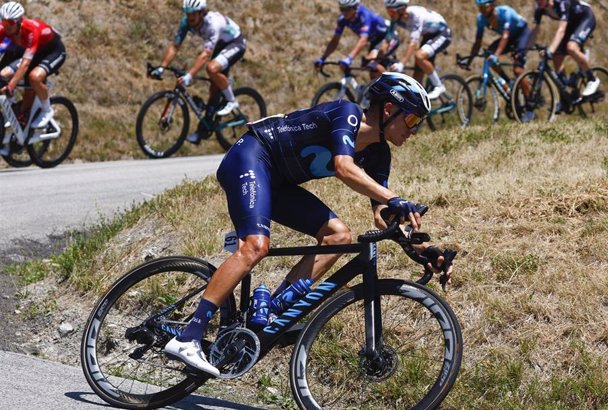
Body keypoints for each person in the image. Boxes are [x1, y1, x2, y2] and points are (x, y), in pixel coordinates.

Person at [164, 72, 453, 377]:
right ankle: (189, 337)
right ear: (387, 109)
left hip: (278, 184)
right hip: (251, 158)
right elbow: (343, 167)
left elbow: (384, 214)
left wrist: (424, 249)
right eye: (411, 120)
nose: (414, 130)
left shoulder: (379, 154)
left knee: (338, 237)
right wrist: (395, 197)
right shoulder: (347, 114)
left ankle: (269, 313)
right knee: (255, 246)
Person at [150, 0, 247, 145]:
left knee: (212, 69)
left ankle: (232, 101)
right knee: (213, 90)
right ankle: (202, 132)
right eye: (187, 14)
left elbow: (205, 55)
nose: (190, 18)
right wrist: (162, 67)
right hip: (220, 46)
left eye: (193, 15)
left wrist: (190, 75)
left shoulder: (212, 24)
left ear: (202, 13)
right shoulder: (186, 22)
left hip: (235, 43)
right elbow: (175, 46)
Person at [0, 2, 66, 130]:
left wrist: (11, 86)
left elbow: (25, 64)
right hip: (30, 52)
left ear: (19, 21)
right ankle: (14, 107)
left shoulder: (31, 30)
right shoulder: (4, 29)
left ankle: (47, 110)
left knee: (34, 78)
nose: (7, 27)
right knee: (3, 74)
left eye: (11, 23)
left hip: (52, 51)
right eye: (4, 22)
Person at [382, 0, 452, 100]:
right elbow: (388, 39)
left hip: (442, 33)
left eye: (392, 12)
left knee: (419, 56)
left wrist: (402, 63)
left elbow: (413, 43)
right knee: (417, 76)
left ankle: (439, 86)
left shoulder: (415, 15)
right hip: (428, 35)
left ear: (401, 9)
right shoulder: (396, 18)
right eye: (388, 11)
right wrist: (380, 55)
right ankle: (417, 103)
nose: (390, 15)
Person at [528, 0, 599, 97]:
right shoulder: (539, 8)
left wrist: (550, 50)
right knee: (556, 57)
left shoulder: (561, 2)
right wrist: (524, 49)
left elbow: (561, 31)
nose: (538, 2)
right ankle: (565, 97)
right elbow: (535, 31)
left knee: (571, 47)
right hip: (571, 23)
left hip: (585, 18)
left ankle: (592, 79)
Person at [314, 0, 399, 80]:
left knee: (373, 64)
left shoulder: (364, 15)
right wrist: (323, 58)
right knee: (371, 71)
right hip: (375, 41)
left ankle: (391, 85)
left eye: (347, 9)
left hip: (388, 37)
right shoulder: (342, 19)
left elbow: (363, 40)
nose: (344, 13)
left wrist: (349, 58)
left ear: (355, 7)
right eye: (342, 9)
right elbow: (335, 41)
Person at [463, 0, 530, 95]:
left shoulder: (505, 12)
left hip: (522, 34)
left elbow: (505, 36)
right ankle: (508, 81)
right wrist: (469, 61)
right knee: (488, 54)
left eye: (484, 7)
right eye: (480, 8)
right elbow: (478, 42)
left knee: (517, 70)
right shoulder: (481, 19)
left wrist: (497, 55)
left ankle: (530, 102)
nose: (482, 11)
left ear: (492, 5)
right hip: (510, 37)